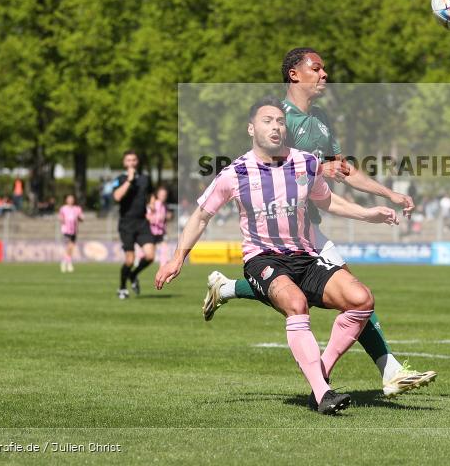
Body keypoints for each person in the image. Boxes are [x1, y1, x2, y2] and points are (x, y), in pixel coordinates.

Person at [201, 47, 436, 398]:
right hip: (282, 230)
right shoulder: (279, 119)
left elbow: (343, 169)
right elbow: (269, 166)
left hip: (309, 227)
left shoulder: (320, 118)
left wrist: (388, 193)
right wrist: (316, 169)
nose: (324, 74)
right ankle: (381, 371)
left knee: (352, 295)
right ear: (294, 74)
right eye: (316, 68)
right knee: (345, 295)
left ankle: (227, 290)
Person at [155, 97, 400, 414]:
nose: (276, 126)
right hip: (263, 259)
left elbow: (327, 202)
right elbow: (201, 216)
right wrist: (178, 258)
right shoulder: (235, 173)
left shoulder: (306, 164)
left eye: (280, 122)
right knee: (296, 304)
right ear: (251, 128)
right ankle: (323, 393)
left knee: (361, 300)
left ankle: (320, 375)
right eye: (267, 121)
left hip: (305, 256)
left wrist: (368, 214)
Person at [112, 150, 155, 299]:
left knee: (150, 256)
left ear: (137, 162)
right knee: (130, 260)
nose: (131, 162)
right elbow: (117, 197)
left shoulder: (145, 178)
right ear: (124, 163)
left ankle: (133, 275)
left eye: (134, 160)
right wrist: (129, 181)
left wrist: (151, 205)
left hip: (142, 222)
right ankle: (122, 288)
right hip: (126, 224)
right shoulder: (120, 179)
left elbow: (151, 194)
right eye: (128, 160)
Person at [58, 194, 84, 273]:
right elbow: (60, 217)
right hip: (66, 230)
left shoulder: (77, 209)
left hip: (74, 230)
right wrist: (62, 220)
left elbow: (81, 218)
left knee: (71, 247)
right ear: (66, 200)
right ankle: (69, 264)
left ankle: (64, 261)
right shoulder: (63, 208)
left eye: (72, 199)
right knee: (69, 246)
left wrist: (79, 218)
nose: (71, 200)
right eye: (69, 199)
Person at [147, 186, 171, 267]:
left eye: (165, 195)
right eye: (161, 195)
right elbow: (148, 217)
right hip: (152, 231)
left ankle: (163, 266)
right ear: (158, 195)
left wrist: (167, 217)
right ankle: (139, 261)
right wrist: (158, 218)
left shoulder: (164, 205)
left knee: (165, 248)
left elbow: (165, 218)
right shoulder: (154, 204)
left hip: (161, 231)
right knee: (149, 254)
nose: (163, 197)